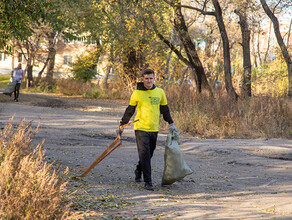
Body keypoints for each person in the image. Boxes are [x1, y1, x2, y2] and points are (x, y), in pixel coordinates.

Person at [119, 68, 176, 191]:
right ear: (142, 79)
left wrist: (171, 123)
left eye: (151, 78)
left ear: (154, 79)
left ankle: (139, 170)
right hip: (140, 128)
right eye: (146, 78)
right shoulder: (137, 93)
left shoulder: (160, 92)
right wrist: (122, 124)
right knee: (144, 153)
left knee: (149, 154)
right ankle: (148, 182)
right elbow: (130, 110)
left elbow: (165, 110)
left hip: (154, 128)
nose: (149, 80)